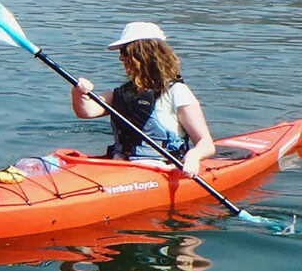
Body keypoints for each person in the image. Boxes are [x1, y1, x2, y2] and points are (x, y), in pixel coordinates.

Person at [70, 22, 214, 178]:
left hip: (160, 169)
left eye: (125, 52)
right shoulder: (119, 94)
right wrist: (79, 92)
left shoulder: (177, 92)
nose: (120, 58)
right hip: (118, 164)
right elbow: (86, 111)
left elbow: (206, 143)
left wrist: (193, 157)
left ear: (143, 55)